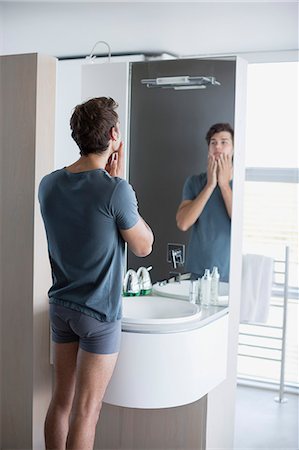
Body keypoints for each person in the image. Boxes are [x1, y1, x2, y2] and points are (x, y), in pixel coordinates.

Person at [38, 97, 154, 450]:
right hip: (99, 314)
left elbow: (87, 223)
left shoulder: (48, 184)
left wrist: (110, 184)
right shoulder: (116, 190)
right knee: (87, 411)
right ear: (114, 134)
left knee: (61, 402)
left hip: (61, 308)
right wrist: (120, 186)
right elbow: (144, 245)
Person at [176, 123, 234, 282]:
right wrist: (210, 186)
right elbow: (183, 223)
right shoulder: (195, 182)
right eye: (213, 142)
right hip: (197, 272)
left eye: (224, 142)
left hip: (231, 273)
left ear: (234, 149)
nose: (218, 147)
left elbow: (241, 223)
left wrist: (223, 185)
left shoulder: (240, 185)